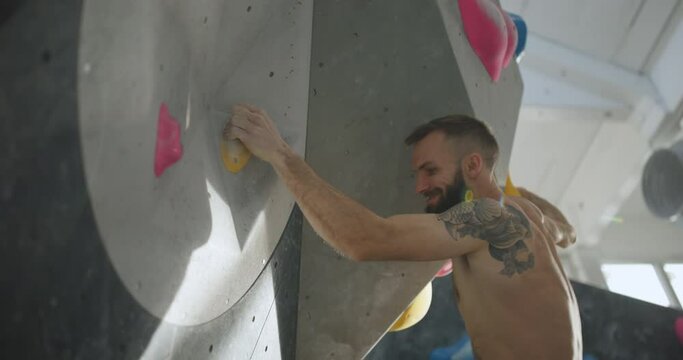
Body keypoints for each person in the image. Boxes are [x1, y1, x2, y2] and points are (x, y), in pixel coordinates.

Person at [225, 104, 583, 359]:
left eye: (430, 170)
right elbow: (567, 231)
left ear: (473, 164)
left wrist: (279, 154)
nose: (419, 186)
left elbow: (365, 240)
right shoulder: (526, 214)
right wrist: (505, 185)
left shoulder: (489, 218)